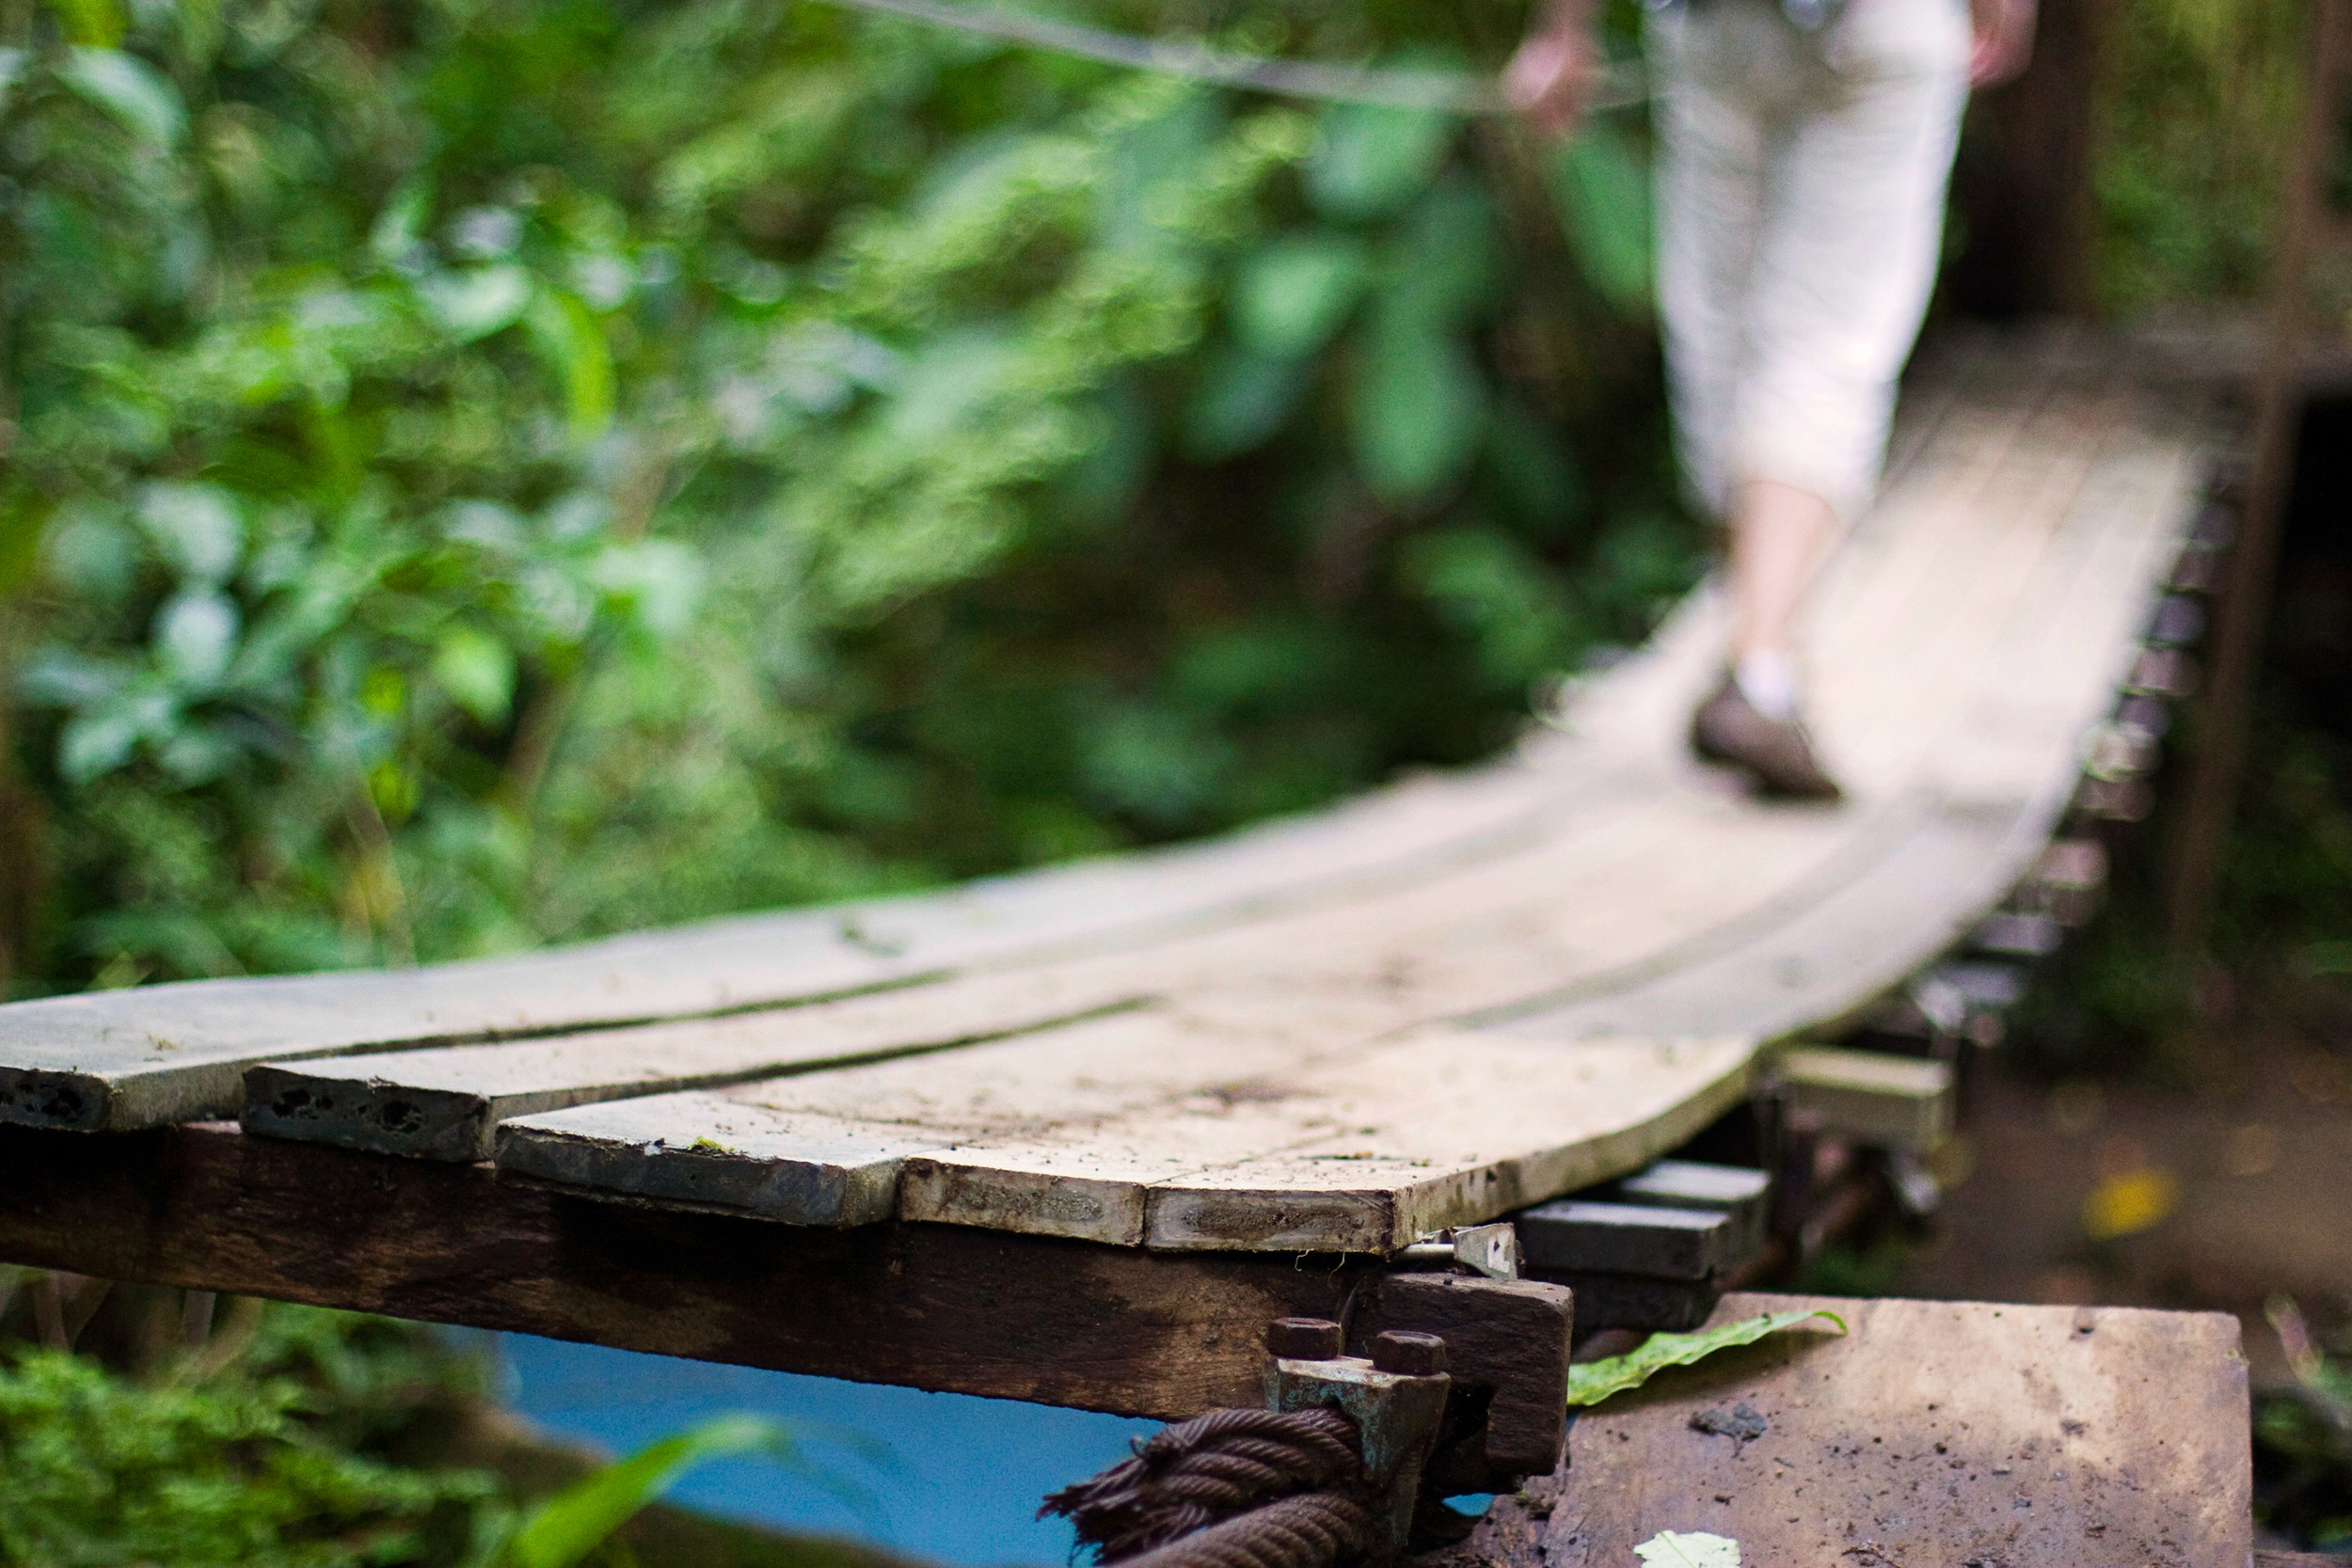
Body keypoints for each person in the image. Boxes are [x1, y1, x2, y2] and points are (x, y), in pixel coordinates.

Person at [1506, 0, 2036, 799]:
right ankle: (1762, 668)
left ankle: (1757, 651)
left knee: (1723, 327)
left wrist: (1562, 35)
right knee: (1828, 337)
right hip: (1886, 27)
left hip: (1717, 25)